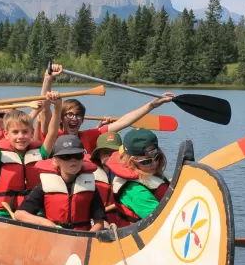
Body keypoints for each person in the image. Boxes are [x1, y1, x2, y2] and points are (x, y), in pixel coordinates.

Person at [39, 65, 174, 153]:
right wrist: (48, 79)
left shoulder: (89, 135)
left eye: (78, 115)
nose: (74, 118)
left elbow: (124, 121)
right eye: (69, 114)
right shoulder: (53, 135)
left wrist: (152, 105)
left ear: (82, 120)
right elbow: (45, 111)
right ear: (61, 119)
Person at [0, 91, 63, 217]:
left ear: (32, 133)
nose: (21, 137)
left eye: (25, 132)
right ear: (6, 134)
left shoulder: (40, 152)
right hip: (6, 212)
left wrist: (57, 107)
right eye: (15, 132)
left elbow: (52, 135)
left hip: (34, 211)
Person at [15, 135, 106, 231]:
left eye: (78, 155)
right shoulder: (45, 186)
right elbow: (19, 214)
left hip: (81, 239)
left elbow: (99, 222)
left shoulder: (90, 186)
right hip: (53, 238)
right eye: (66, 156)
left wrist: (87, 237)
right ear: (55, 161)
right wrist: (44, 222)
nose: (73, 160)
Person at [106, 128, 169, 227]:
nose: (154, 164)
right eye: (146, 161)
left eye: (157, 158)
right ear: (131, 162)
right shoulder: (135, 191)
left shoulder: (149, 173)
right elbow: (164, 220)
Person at [88, 131, 122, 222]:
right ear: (98, 155)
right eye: (105, 152)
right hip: (96, 221)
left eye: (114, 152)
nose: (110, 155)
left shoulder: (129, 176)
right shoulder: (89, 175)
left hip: (120, 223)